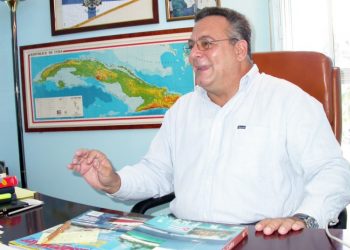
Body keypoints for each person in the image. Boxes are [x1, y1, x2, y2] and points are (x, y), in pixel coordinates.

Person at [68, 7, 350, 236]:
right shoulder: (183, 109)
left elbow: (332, 171)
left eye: (206, 44)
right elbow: (157, 172)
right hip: (183, 235)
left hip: (259, 238)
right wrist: (114, 181)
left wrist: (305, 218)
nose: (193, 55)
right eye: (191, 46)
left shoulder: (289, 101)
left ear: (240, 50)